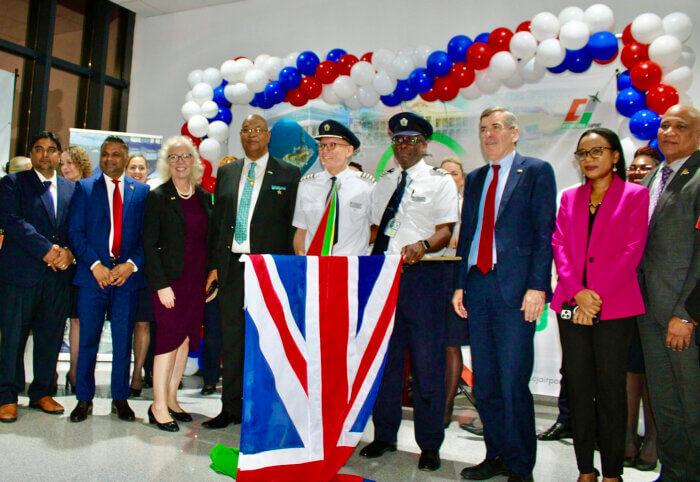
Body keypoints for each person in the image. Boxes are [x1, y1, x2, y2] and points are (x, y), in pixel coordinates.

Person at [453, 107, 556, 482]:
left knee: (513, 382)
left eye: (496, 127)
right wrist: (460, 284)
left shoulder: (536, 171)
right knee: (489, 382)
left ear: (514, 133)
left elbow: (546, 234)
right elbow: (468, 233)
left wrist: (538, 286)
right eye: (482, 129)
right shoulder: (477, 177)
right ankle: (494, 454)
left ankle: (519, 465)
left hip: (515, 290)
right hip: (478, 287)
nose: (488, 135)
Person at [360, 112, 458, 472]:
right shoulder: (382, 183)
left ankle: (430, 444)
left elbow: (446, 230)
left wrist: (423, 245)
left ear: (424, 144)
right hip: (383, 278)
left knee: (427, 365)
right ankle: (384, 436)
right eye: (398, 140)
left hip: (423, 279)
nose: (404, 146)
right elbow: (373, 231)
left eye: (411, 140)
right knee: (385, 363)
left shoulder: (440, 181)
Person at [552, 128, 649, 482]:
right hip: (571, 302)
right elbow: (559, 245)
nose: (589, 159)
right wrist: (578, 292)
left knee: (610, 390)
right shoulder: (569, 198)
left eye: (597, 151)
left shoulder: (635, 196)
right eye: (582, 153)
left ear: (615, 156)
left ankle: (612, 472)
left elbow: (632, 251)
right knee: (577, 387)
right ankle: (585, 469)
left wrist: (594, 296)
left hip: (615, 305)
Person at [204, 114, 300, 429]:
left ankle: (263, 409)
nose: (252, 134)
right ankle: (230, 407)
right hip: (232, 267)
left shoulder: (289, 174)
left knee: (266, 341)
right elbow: (218, 225)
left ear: (268, 135)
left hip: (268, 270)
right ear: (241, 136)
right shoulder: (227, 172)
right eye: (246, 130)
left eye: (258, 129)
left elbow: (292, 229)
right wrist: (214, 267)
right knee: (231, 340)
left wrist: (287, 273)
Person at [68, 135, 149, 423]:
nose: (110, 159)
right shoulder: (85, 188)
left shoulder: (141, 192)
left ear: (125, 158)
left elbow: (147, 239)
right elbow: (75, 233)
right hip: (94, 278)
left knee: (122, 343)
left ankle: (120, 398)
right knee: (88, 341)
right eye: (105, 153)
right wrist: (95, 265)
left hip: (126, 279)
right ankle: (83, 399)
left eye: (116, 154)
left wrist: (130, 265)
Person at [638, 104, 700, 481]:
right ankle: (674, 471)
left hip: (683, 315)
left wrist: (686, 312)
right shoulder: (651, 180)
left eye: (681, 126)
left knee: (692, 402)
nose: (669, 132)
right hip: (647, 312)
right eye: (664, 125)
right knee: (664, 402)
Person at [0, 132, 76, 423]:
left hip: (58, 278)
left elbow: (76, 227)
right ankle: (7, 396)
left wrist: (70, 253)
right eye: (39, 149)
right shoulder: (13, 184)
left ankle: (42, 392)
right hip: (20, 275)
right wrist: (47, 250)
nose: (45, 155)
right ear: (31, 153)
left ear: (59, 154)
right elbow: (12, 221)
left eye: (51, 150)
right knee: (13, 338)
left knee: (50, 337)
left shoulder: (72, 189)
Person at [143, 137, 211, 431]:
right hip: (169, 284)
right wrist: (160, 284)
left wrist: (213, 275)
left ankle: (171, 399)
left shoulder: (205, 197)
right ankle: (157, 405)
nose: (180, 162)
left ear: (195, 161)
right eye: (173, 157)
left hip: (196, 283)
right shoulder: (158, 197)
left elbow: (210, 241)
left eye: (185, 156)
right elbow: (148, 243)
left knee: (184, 341)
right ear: (166, 163)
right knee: (168, 341)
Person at [624, 146, 661, 471]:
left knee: (653, 374)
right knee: (629, 370)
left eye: (645, 167)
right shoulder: (622, 199)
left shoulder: (663, 197)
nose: (638, 172)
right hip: (624, 296)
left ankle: (652, 440)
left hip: (659, 300)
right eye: (634, 167)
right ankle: (627, 437)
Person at [293, 119, 374, 256]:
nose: (325, 151)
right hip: (316, 268)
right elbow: (301, 232)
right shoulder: (307, 185)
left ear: (349, 151)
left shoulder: (366, 186)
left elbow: (377, 227)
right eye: (322, 146)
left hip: (351, 269)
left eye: (332, 145)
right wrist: (303, 264)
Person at [439, 157, 473, 429]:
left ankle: (447, 404)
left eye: (454, 174)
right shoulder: (432, 202)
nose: (449, 178)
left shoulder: (468, 207)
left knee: (451, 343)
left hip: (458, 279)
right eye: (444, 173)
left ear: (462, 179)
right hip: (431, 277)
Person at [57, 145, 92, 394]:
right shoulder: (57, 190)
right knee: (56, 320)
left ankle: (76, 372)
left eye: (71, 162)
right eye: (63, 163)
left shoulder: (91, 190)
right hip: (58, 265)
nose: (66, 167)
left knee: (79, 321)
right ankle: (49, 374)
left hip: (85, 266)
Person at [124, 154, 154, 396]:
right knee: (124, 326)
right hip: (120, 270)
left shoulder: (152, 196)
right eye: (132, 167)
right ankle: (121, 374)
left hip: (145, 269)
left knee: (143, 324)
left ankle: (137, 375)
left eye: (141, 167)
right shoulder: (119, 194)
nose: (136, 171)